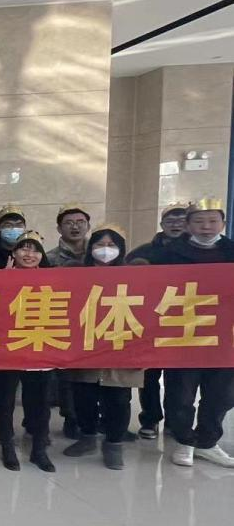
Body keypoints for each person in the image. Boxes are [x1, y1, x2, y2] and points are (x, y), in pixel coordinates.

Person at [150, 198, 234, 468]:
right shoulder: (168, 254)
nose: (206, 227)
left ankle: (207, 442)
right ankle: (185, 441)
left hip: (224, 336)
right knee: (181, 394)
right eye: (199, 221)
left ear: (223, 223)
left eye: (212, 221)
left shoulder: (231, 251)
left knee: (222, 394)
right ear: (188, 225)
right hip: (182, 333)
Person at [63, 224, 143, 470]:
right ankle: (87, 437)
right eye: (100, 245)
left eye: (111, 245)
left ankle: (114, 445)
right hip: (85, 345)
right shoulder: (75, 273)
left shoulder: (136, 275)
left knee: (118, 400)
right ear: (90, 248)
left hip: (122, 346)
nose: (105, 250)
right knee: (83, 397)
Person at [0, 230, 56, 472]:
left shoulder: (54, 279)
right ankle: (7, 445)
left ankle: (39, 449)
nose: (29, 254)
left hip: (40, 345)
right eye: (24, 248)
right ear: (14, 253)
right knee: (5, 399)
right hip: (7, 347)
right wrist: (2, 280)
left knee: (39, 401)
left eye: (35, 250)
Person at [127, 202, 190, 439]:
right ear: (162, 224)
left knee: (179, 378)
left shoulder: (199, 253)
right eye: (170, 221)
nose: (176, 225)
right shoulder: (144, 252)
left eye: (181, 220)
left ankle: (176, 421)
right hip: (149, 323)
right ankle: (150, 419)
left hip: (185, 322)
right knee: (149, 376)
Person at [48, 204, 92, 439]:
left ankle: (95, 419)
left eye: (80, 222)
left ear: (88, 226)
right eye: (69, 223)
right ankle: (71, 418)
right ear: (59, 228)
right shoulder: (50, 258)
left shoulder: (98, 255)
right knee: (66, 374)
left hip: (95, 320)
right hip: (62, 320)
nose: (75, 227)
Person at [0, 205, 27, 269]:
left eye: (19, 225)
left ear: (25, 228)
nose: (14, 229)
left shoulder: (33, 250)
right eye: (8, 225)